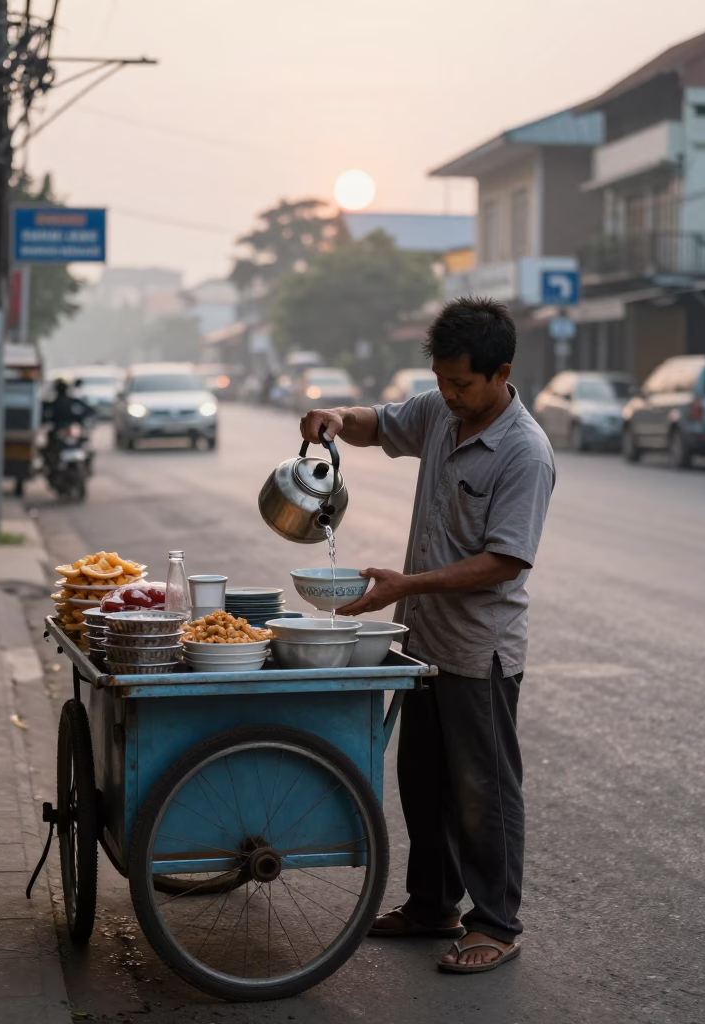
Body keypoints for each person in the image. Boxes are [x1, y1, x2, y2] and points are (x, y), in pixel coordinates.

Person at [299, 297, 555, 975]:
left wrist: (404, 586)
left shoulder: (524, 452)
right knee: (423, 779)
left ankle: (497, 923)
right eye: (441, 381)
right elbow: (375, 424)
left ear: (501, 373)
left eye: (462, 384)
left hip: (480, 650)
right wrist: (333, 417)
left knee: (483, 790)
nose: (448, 395)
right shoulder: (442, 412)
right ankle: (432, 905)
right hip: (426, 644)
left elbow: (503, 561)